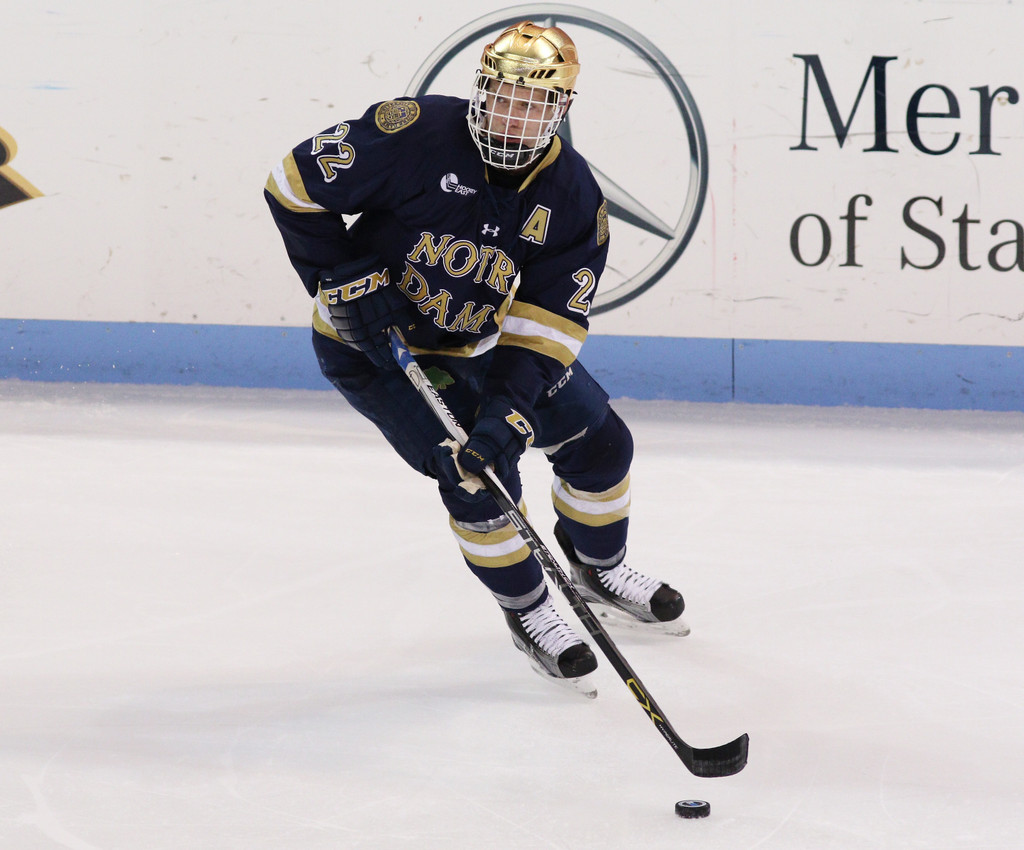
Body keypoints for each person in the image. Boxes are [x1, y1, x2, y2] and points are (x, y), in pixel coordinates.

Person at [264, 21, 686, 694]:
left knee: (603, 446)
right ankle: (529, 612)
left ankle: (596, 564)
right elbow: (292, 185)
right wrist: (341, 276)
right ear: (480, 91)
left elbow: (548, 325)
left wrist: (507, 411)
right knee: (477, 483)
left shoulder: (573, 197)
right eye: (500, 96)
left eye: (532, 104)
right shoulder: (412, 134)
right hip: (374, 351)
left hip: (481, 344)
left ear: (562, 111)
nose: (511, 117)